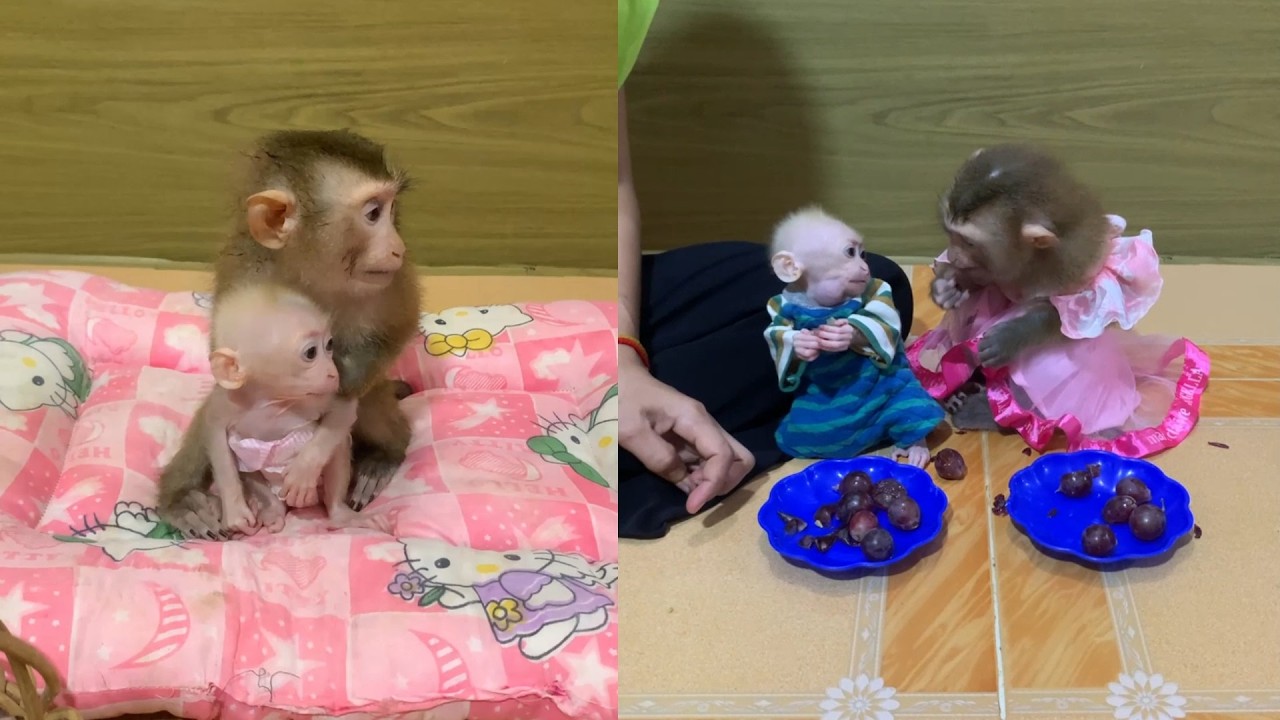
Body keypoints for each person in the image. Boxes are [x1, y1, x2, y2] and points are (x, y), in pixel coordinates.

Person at [617, 0, 916, 539]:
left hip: (599, 295)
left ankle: (654, 432)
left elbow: (609, 194)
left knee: (886, 285)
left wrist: (621, 356)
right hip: (528, 331)